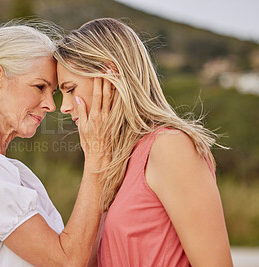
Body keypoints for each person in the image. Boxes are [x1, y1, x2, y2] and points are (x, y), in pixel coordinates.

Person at [0, 21, 112, 266]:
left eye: (53, 92)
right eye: (39, 87)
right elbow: (67, 261)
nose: (51, 104)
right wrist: (97, 157)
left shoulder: (6, 171)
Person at [54, 18, 233, 266]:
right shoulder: (114, 160)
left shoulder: (170, 148)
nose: (63, 107)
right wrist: (95, 159)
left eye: (70, 89)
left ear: (109, 74)